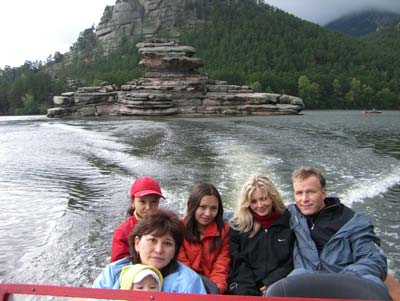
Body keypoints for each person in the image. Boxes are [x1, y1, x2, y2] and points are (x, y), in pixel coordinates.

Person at [287, 166, 388, 287]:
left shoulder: (354, 222)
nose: (304, 199)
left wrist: (345, 278)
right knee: (296, 275)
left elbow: (374, 260)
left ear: (323, 193)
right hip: (304, 285)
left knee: (375, 284)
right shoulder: (292, 215)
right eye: (299, 193)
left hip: (345, 286)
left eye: (310, 192)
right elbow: (262, 211)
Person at [93, 209, 207, 294]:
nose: (159, 250)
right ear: (137, 243)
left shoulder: (189, 283)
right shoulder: (113, 273)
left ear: (175, 250)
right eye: (152, 240)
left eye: (167, 243)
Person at [226, 176, 294, 296]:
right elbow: (236, 261)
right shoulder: (238, 226)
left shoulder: (289, 221)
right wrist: (250, 287)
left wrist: (272, 281)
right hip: (245, 284)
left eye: (264, 199)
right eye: (253, 201)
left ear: (273, 198)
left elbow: (292, 259)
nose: (260, 205)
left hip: (280, 283)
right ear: (247, 203)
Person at [177, 182, 230, 293]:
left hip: (214, 289)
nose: (208, 213)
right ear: (192, 206)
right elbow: (182, 265)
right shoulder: (178, 230)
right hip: (186, 287)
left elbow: (222, 266)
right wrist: (196, 288)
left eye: (213, 208)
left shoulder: (225, 232)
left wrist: (215, 289)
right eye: (203, 207)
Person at [111, 176, 164, 262]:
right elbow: (117, 266)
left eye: (153, 202)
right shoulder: (122, 232)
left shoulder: (167, 225)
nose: (148, 207)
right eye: (142, 201)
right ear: (132, 202)